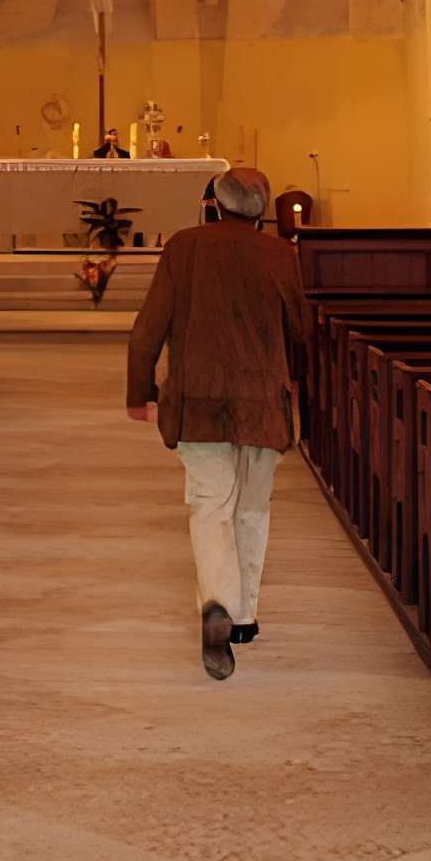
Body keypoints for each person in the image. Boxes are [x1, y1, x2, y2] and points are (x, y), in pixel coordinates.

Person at [125, 164, 311, 681]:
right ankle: (244, 616)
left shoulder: (183, 248)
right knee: (252, 508)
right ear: (261, 212)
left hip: (198, 400)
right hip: (262, 402)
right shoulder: (280, 254)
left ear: (215, 203)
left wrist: (139, 390)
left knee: (210, 508)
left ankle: (217, 604)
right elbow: (302, 330)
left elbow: (148, 329)